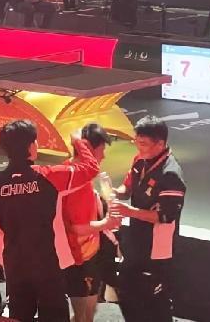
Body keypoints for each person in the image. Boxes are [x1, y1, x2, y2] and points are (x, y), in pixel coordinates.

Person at [0, 120, 100, 322]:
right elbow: (91, 168)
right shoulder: (49, 176)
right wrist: (78, 141)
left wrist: (5, 261)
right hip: (47, 267)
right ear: (31, 146)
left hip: (15, 267)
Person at [111, 116, 186, 322]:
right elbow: (127, 187)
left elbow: (164, 216)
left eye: (143, 143)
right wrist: (113, 192)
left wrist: (129, 211)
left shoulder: (171, 175)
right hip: (136, 241)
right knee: (127, 291)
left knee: (155, 300)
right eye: (136, 141)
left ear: (160, 144)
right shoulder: (139, 160)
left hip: (157, 249)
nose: (138, 146)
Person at [62, 124, 121, 322]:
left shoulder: (72, 172)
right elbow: (77, 228)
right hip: (81, 259)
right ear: (88, 148)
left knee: (87, 315)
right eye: (101, 150)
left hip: (90, 255)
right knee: (83, 318)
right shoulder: (77, 183)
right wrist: (107, 223)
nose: (103, 156)